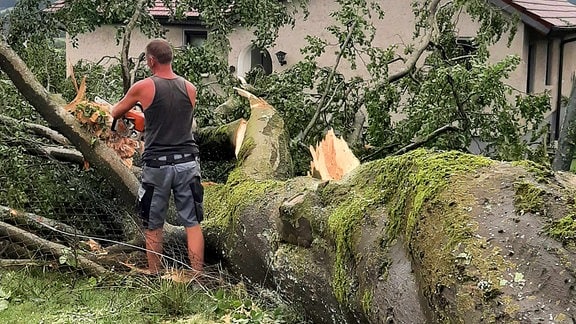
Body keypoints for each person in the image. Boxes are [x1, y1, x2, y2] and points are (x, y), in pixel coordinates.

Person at [111, 39, 204, 274]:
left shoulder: (144, 87)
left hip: (157, 165)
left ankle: (155, 275)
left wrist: (135, 114)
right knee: (192, 223)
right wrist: (147, 120)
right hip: (187, 162)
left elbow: (115, 112)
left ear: (151, 60)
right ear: (170, 59)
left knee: (153, 224)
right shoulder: (190, 88)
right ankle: (198, 275)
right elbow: (174, 119)